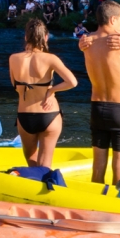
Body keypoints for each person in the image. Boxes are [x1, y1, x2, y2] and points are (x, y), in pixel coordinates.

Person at [76, 1, 120, 184]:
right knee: (119, 169)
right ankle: (118, 208)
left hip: (98, 107)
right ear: (113, 19)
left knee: (98, 168)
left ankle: (95, 208)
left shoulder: (86, 42)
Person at [9, 17, 78, 169]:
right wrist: (52, 90)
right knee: (45, 166)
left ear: (26, 37)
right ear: (46, 37)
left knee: (31, 164)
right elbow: (72, 82)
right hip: (49, 114)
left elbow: (15, 86)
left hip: (25, 115)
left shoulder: (13, 58)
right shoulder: (51, 58)